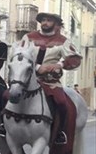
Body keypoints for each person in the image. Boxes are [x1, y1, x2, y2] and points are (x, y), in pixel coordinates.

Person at [19, 12, 81, 146]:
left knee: (62, 102)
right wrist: (37, 67)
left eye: (48, 20)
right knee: (7, 96)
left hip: (50, 82)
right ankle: (4, 126)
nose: (45, 23)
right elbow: (19, 56)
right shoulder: (28, 37)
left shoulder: (63, 41)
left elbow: (75, 58)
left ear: (55, 23)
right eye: (43, 20)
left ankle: (60, 132)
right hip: (28, 80)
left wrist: (60, 64)